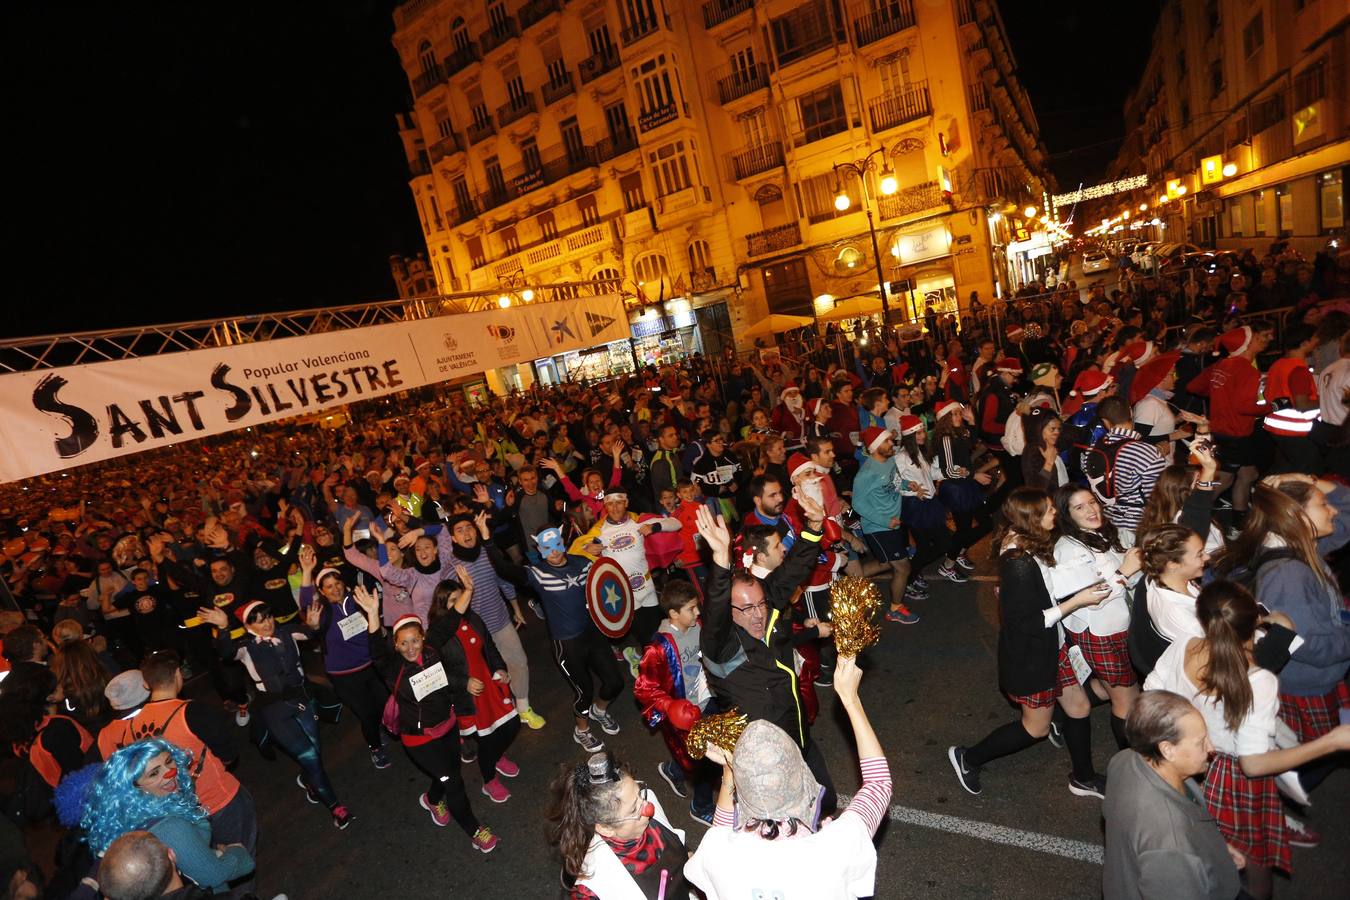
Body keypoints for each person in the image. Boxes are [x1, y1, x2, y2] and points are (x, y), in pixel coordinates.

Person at [1144, 581, 1350, 899]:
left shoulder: (1185, 643)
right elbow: (1253, 763)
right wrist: (1332, 742)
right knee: (1254, 865)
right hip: (1230, 778)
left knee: (1201, 849)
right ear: (1253, 624)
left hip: (1184, 764)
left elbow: (1152, 689)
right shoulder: (1259, 681)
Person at [948, 488, 1111, 799]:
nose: (1055, 513)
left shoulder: (1027, 542)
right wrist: (1078, 601)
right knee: (1035, 728)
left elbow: (1041, 591)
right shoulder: (1018, 561)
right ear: (1032, 519)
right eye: (1049, 510)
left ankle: (1083, 777)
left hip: (1052, 646)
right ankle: (968, 757)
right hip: (1031, 657)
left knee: (1079, 706)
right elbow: (1026, 623)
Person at [684, 656, 890, 900]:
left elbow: (720, 830)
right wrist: (851, 699)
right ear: (804, 782)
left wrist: (730, 770)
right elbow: (878, 784)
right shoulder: (834, 850)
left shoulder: (716, 851)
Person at [695, 500, 838, 814]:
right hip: (765, 761)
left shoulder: (766, 605)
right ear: (731, 613)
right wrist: (720, 561)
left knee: (827, 803)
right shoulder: (722, 645)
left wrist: (813, 528)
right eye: (746, 609)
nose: (758, 614)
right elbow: (716, 608)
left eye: (760, 604)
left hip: (798, 736)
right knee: (786, 823)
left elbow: (793, 570)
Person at [354, 579, 499, 852]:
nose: (411, 648)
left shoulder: (433, 648)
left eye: (415, 640)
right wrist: (373, 614)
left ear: (423, 638)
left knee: (445, 775)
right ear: (395, 645)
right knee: (454, 782)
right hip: (419, 740)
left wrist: (468, 591)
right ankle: (475, 830)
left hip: (448, 727)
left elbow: (452, 618)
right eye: (403, 643)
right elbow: (376, 650)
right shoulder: (392, 667)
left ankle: (433, 799)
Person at [1214, 476, 1350, 766]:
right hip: (1309, 684)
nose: (1333, 510)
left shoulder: (1301, 544)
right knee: (1309, 761)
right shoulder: (1287, 574)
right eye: (1323, 505)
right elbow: (1307, 644)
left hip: (1315, 677)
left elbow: (1347, 513)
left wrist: (1306, 479)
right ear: (1297, 516)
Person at [198, 601, 352, 829]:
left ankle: (310, 782)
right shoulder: (245, 647)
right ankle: (335, 807)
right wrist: (223, 628)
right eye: (260, 620)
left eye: (269, 617)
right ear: (249, 625)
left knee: (315, 753)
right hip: (275, 710)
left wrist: (312, 624)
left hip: (303, 700)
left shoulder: (287, 633)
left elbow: (311, 633)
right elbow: (227, 652)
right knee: (309, 757)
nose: (268, 623)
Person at [95, 650, 255, 860]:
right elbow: (229, 754)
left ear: (147, 684)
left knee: (213, 862)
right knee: (240, 857)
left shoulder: (130, 729)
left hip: (182, 812)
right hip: (220, 800)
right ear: (178, 674)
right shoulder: (191, 711)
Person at [1101, 690, 1241, 900]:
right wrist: (1189, 856)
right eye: (1200, 742)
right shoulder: (1172, 845)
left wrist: (1209, 849)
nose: (1211, 749)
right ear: (1167, 750)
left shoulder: (1124, 760)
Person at [81, 739, 254, 895]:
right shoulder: (169, 827)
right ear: (135, 790)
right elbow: (214, 876)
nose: (171, 773)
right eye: (154, 773)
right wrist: (237, 853)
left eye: (169, 761)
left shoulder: (132, 820)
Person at [1050, 484, 1144, 748]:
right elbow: (1091, 600)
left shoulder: (1096, 532)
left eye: (1092, 502)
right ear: (1066, 514)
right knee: (1128, 700)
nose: (1091, 510)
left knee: (1110, 686)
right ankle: (1131, 764)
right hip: (1100, 633)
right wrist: (1125, 572)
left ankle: (1058, 717)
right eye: (1080, 507)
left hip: (1117, 625)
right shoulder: (1069, 549)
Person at [525, 526, 623, 754]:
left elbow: (603, 586)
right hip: (566, 644)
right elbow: (506, 570)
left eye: (557, 544)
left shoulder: (582, 563)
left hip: (593, 634)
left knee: (615, 682)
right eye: (547, 548)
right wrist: (489, 541)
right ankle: (581, 731)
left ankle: (600, 711)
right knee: (584, 692)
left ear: (563, 542)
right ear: (539, 549)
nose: (554, 551)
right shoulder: (537, 573)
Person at [426, 578, 523, 803]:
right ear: (442, 605)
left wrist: (499, 668)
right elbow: (434, 673)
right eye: (453, 600)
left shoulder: (474, 619)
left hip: (490, 685)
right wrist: (463, 682)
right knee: (487, 740)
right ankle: (489, 781)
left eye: (462, 596)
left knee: (512, 725)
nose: (461, 602)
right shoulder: (437, 633)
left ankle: (496, 756)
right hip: (468, 695)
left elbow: (489, 647)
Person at [296, 544, 390, 770]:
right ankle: (375, 747)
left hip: (371, 665)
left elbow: (376, 622)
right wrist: (307, 571)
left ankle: (381, 728)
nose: (335, 589)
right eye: (328, 587)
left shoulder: (357, 600)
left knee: (385, 704)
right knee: (367, 714)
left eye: (337, 583)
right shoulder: (323, 611)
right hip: (344, 675)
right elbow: (307, 605)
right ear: (322, 592)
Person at [547, 751, 690, 899]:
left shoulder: (648, 798)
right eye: (634, 809)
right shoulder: (592, 889)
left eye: (639, 793)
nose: (648, 807)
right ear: (605, 828)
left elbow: (678, 845)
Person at [634, 579, 716, 825]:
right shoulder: (657, 648)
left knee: (710, 751)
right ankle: (700, 807)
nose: (697, 612)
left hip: (707, 701)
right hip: (683, 713)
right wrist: (670, 706)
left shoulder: (698, 625)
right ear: (673, 614)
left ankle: (674, 770)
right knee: (704, 763)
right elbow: (644, 687)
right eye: (691, 609)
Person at [851, 425, 918, 624]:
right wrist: (884, 520)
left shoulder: (890, 461)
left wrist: (908, 485)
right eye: (887, 440)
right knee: (903, 567)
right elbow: (857, 503)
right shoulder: (866, 473)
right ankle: (895, 609)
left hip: (894, 524)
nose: (892, 443)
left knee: (888, 562)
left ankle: (854, 576)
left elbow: (895, 481)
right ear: (874, 446)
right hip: (878, 528)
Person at [1087, 397, 1168, 533]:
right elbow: (1159, 499)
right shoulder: (1146, 452)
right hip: (1139, 528)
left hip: (1107, 524)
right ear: (1131, 413)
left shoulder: (1091, 450)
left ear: (1105, 421)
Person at [931, 401, 995, 570]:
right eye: (955, 414)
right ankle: (948, 563)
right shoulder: (945, 438)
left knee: (985, 524)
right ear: (945, 418)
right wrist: (975, 475)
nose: (959, 416)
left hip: (966, 485)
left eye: (960, 413)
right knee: (965, 529)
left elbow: (972, 440)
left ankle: (958, 550)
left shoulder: (958, 433)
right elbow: (949, 471)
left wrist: (972, 421)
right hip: (956, 489)